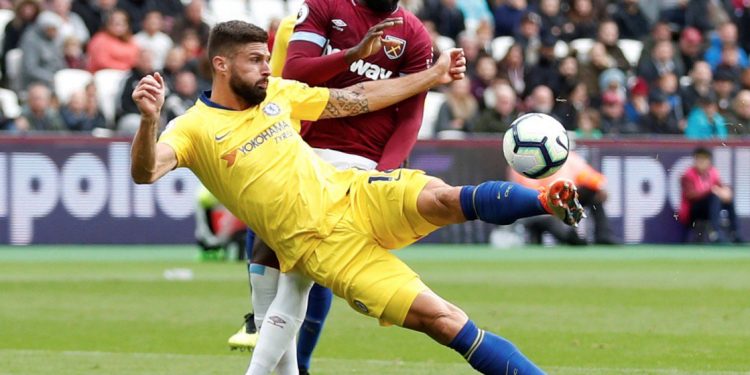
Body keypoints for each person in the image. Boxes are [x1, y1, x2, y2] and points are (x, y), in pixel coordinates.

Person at [130, 20, 583, 375]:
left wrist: (432, 75)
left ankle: (545, 201)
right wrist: (148, 122)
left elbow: (358, 98)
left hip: (354, 193)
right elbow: (146, 171)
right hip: (325, 248)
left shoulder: (280, 94)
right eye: (255, 61)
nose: (268, 68)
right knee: (444, 320)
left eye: (268, 58)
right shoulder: (192, 128)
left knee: (443, 197)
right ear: (221, 65)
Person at [233, 3, 435, 374]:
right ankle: (279, 352)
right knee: (268, 253)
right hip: (299, 148)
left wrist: (383, 174)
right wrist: (353, 55)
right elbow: (296, 71)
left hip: (359, 165)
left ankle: (288, 363)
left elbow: (410, 116)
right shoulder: (325, 7)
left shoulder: (414, 35)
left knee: (301, 272)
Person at [512, 151, 615, 245]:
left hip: (564, 201)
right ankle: (571, 237)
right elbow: (530, 193)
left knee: (594, 193)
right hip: (541, 206)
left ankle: (603, 236)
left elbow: (588, 176)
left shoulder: (568, 157)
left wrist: (600, 186)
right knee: (563, 232)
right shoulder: (527, 160)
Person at [679, 147, 742, 243]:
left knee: (728, 200)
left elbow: (720, 186)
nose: (701, 162)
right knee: (714, 197)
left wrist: (726, 190)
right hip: (693, 210)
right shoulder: (687, 175)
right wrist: (711, 190)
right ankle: (715, 234)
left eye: (704, 159)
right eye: (699, 159)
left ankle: (734, 233)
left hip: (710, 209)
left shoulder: (713, 172)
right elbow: (690, 196)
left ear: (709, 161)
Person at [19, 11, 65, 89]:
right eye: (53, 29)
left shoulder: (53, 40)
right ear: (45, 28)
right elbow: (31, 69)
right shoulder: (30, 40)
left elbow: (58, 60)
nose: (56, 33)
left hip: (55, 79)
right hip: (37, 83)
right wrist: (51, 78)